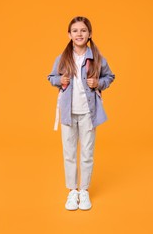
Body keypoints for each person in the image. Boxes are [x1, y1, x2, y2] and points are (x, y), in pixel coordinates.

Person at [47, 16, 115, 211]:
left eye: (83, 30)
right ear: (69, 34)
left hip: (88, 113)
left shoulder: (98, 58)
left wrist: (99, 83)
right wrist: (61, 80)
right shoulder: (62, 58)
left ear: (90, 34)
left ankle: (84, 190)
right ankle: (72, 191)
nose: (79, 34)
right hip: (68, 112)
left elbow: (110, 76)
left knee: (87, 153)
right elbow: (51, 77)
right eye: (75, 30)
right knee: (69, 153)